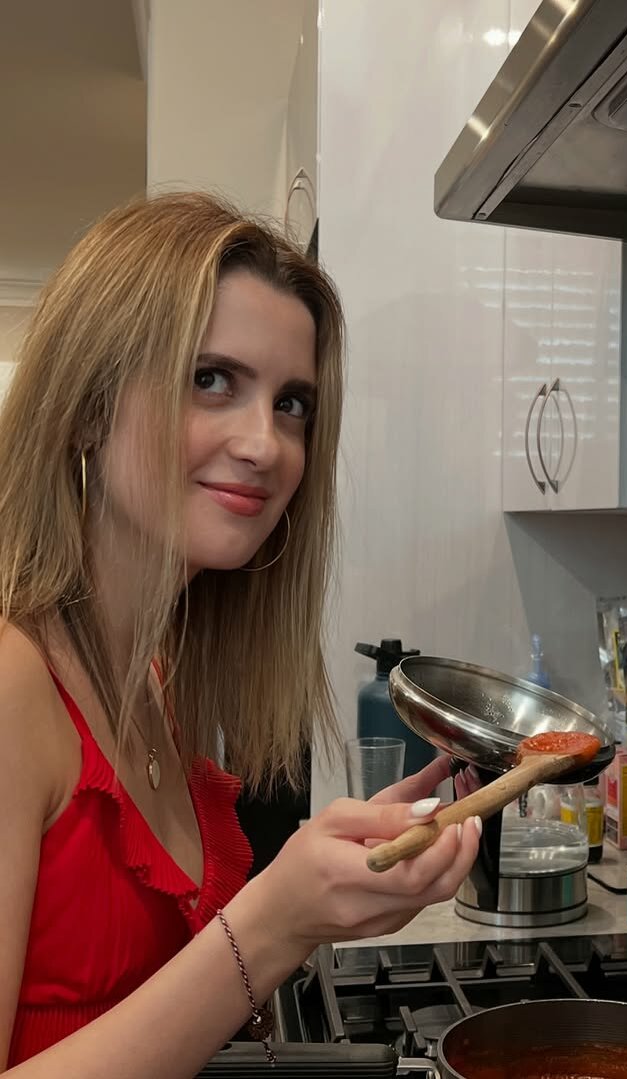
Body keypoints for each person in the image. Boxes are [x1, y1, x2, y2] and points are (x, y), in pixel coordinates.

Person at [0, 192, 481, 1076]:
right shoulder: (12, 685)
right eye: (211, 379)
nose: (267, 444)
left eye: (291, 402)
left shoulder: (154, 674)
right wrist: (273, 923)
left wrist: (325, 894)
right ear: (87, 406)